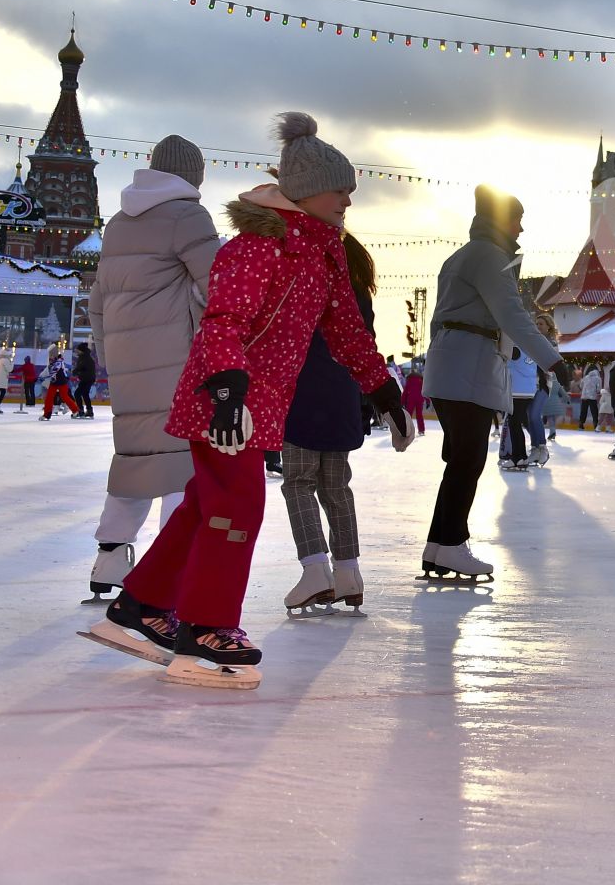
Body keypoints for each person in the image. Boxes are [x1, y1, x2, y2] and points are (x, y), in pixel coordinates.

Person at [85, 113, 401, 689]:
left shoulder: (322, 255)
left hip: (255, 403)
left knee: (205, 505)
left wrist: (382, 387)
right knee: (237, 508)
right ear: (306, 192)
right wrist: (229, 390)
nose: (349, 199)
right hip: (225, 401)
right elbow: (221, 321)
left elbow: (348, 333)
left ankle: (141, 604)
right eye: (341, 189)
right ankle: (206, 626)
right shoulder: (257, 249)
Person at [83, 134, 221, 600]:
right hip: (177, 360)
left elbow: (98, 299)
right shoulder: (187, 215)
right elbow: (218, 287)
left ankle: (109, 560)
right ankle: (171, 568)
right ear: (193, 175)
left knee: (135, 458)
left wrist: (109, 354)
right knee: (180, 463)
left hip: (128, 363)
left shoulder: (120, 222)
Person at [421, 185, 564, 581]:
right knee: (467, 461)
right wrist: (552, 360)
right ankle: (450, 544)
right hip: (469, 368)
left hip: (453, 364)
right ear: (502, 221)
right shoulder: (489, 257)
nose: (521, 228)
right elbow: (512, 315)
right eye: (517, 219)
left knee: (460, 460)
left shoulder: (463, 256)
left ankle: (439, 546)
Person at [280, 232, 387, 614]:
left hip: (303, 391)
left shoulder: (306, 273)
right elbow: (365, 341)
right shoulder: (357, 287)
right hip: (342, 395)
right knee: (336, 487)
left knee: (298, 483)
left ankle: (314, 569)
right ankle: (348, 573)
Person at [39, 350, 77, 420]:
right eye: (50, 357)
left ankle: (75, 410)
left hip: (61, 382)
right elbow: (49, 370)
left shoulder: (59, 363)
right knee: (49, 398)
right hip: (55, 382)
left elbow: (53, 371)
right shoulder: (54, 363)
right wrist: (42, 376)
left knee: (64, 397)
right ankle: (47, 414)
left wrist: (43, 377)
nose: (50, 358)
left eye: (51, 357)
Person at [72, 342, 99, 419]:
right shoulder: (83, 357)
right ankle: (89, 411)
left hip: (87, 379)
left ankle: (81, 410)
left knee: (77, 394)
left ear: (82, 351)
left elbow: (85, 370)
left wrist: (77, 372)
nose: (76, 352)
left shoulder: (85, 359)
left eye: (78, 350)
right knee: (85, 394)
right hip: (86, 379)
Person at [402, 362, 428, 436]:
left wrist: (402, 402)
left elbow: (406, 391)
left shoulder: (409, 379)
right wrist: (428, 400)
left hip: (411, 399)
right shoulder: (421, 380)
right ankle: (421, 430)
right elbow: (425, 390)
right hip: (420, 399)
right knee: (419, 415)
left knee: (408, 415)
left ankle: (407, 429)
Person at [577, 363, 603, 431]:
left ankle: (581, 424)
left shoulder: (585, 377)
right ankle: (595, 424)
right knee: (594, 411)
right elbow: (598, 389)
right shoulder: (598, 378)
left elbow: (581, 386)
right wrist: (597, 391)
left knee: (583, 411)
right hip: (592, 397)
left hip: (584, 396)